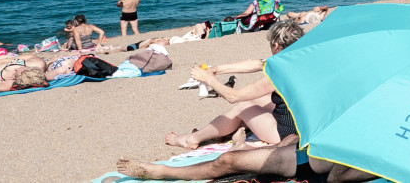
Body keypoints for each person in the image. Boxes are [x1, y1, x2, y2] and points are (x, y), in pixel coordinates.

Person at [118, 20, 375, 182]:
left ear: (276, 45)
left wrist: (208, 78)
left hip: (299, 148)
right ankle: (240, 148)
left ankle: (163, 171)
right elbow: (257, 64)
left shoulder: (284, 71)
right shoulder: (306, 60)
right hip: (308, 142)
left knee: (230, 153)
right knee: (261, 104)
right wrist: (218, 68)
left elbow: (233, 96)